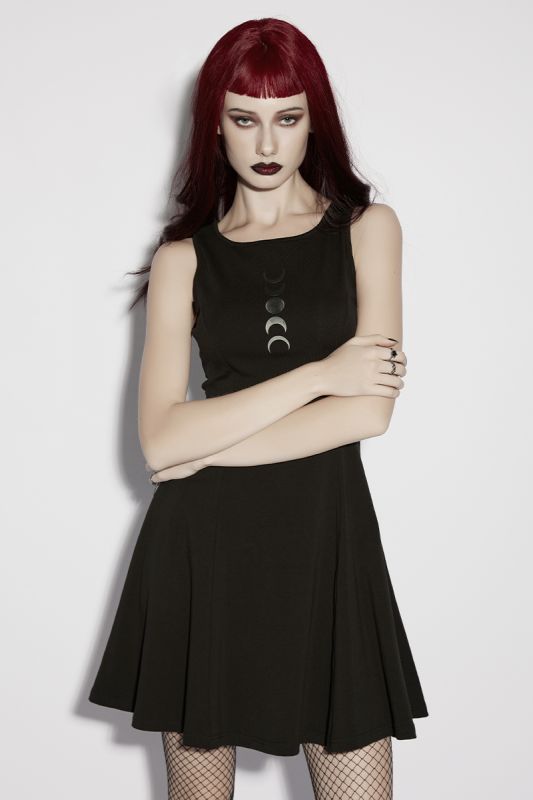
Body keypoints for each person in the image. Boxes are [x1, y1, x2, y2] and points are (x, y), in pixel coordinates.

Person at [88, 17, 429, 800]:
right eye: (244, 119)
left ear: (315, 121)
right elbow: (158, 442)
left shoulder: (368, 231)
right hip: (203, 551)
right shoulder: (181, 260)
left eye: (287, 117)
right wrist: (320, 374)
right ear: (215, 124)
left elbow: (365, 416)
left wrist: (201, 448)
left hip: (327, 545)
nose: (267, 143)